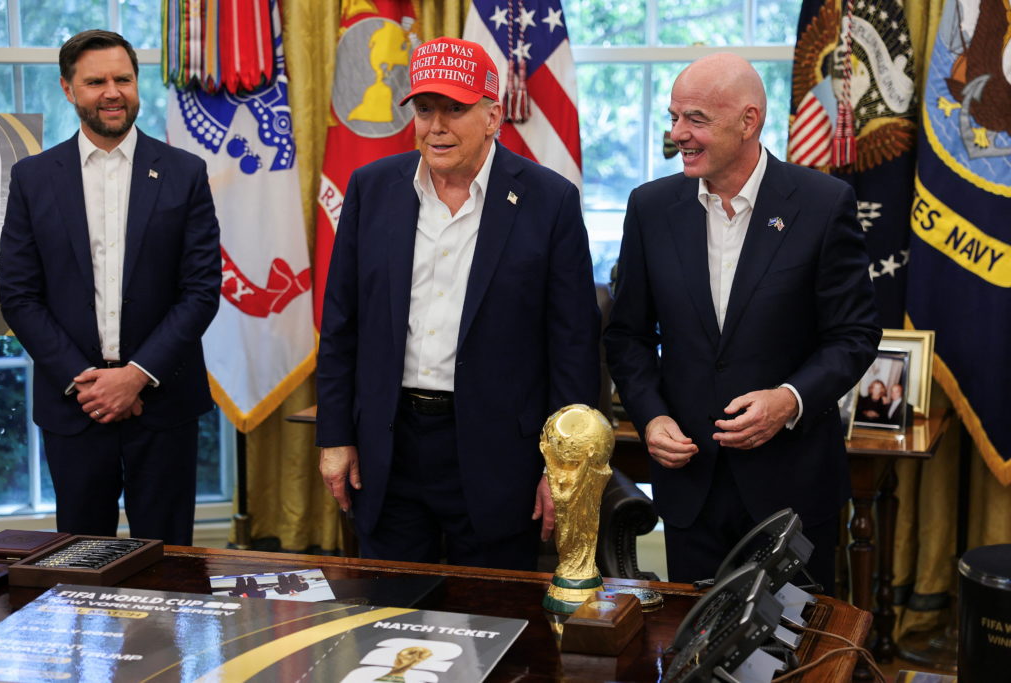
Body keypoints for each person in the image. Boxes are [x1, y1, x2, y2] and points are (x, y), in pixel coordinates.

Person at [316, 37, 599, 571]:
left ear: (493, 116)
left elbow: (573, 345)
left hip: (498, 457)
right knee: (390, 618)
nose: (437, 125)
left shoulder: (549, 200)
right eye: (425, 109)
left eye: (455, 109)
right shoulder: (371, 188)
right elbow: (341, 325)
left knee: (493, 624)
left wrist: (562, 466)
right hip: (389, 447)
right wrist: (335, 436)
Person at [603, 53, 880, 592]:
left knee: (794, 657)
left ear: (749, 121)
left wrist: (790, 399)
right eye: (674, 116)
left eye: (696, 119)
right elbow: (628, 335)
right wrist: (651, 416)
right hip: (691, 487)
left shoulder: (823, 204)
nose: (677, 133)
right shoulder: (650, 207)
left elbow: (854, 334)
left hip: (791, 489)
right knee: (694, 658)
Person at [0, 30, 221, 545]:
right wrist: (88, 381)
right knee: (81, 565)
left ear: (137, 84)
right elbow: (19, 295)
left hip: (164, 404)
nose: (112, 91)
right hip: (74, 405)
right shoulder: (32, 178)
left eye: (123, 78)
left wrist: (136, 377)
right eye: (95, 81)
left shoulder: (185, 173)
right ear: (68, 89)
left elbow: (201, 290)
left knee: (168, 565)